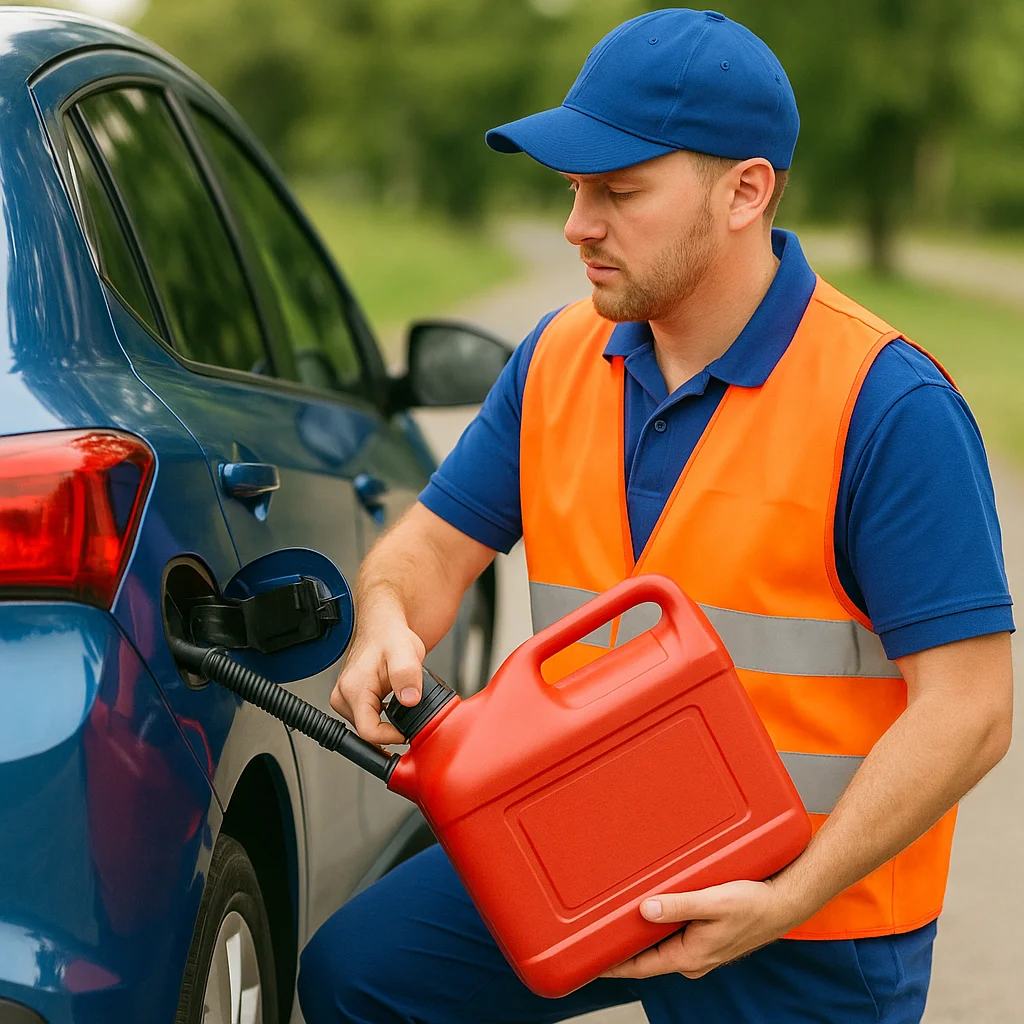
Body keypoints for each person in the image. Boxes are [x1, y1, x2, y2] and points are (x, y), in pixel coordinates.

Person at [298, 9, 1014, 1023]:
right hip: (586, 842)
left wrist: (785, 898)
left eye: (618, 192)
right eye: (572, 189)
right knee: (359, 978)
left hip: (807, 912)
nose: (577, 225)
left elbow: (971, 709)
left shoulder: (887, 405)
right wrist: (384, 618)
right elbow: (431, 547)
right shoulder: (556, 358)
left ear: (745, 191)